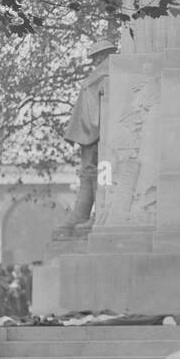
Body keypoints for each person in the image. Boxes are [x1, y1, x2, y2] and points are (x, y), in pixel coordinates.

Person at [60, 38, 118, 232]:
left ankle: (94, 214)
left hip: (96, 132)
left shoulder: (107, 71)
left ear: (104, 54)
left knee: (96, 172)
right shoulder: (104, 71)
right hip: (91, 131)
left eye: (96, 56)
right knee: (90, 172)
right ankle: (82, 213)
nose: (94, 61)